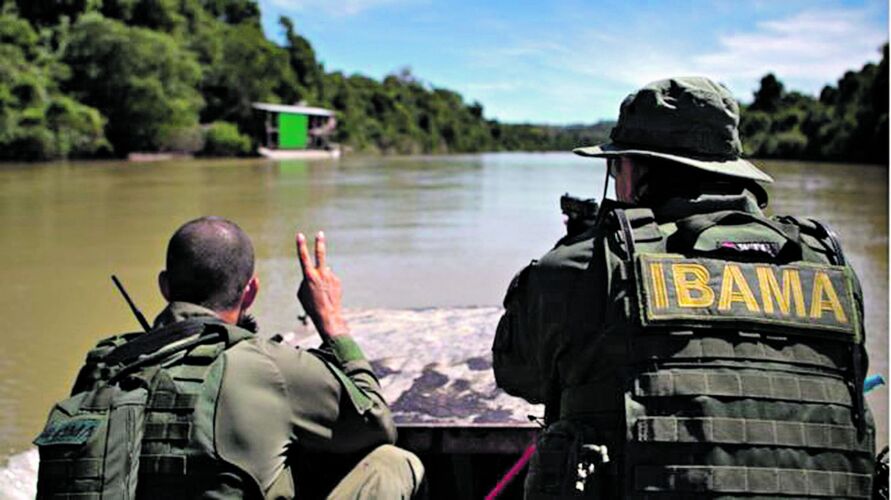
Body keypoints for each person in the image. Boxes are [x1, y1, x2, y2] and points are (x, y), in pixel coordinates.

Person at [492, 77, 876, 498]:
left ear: (632, 169)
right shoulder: (828, 263)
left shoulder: (581, 266)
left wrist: (580, 253)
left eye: (615, 165)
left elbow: (519, 375)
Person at [35, 217, 424, 499]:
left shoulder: (103, 363)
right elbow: (376, 424)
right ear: (251, 292)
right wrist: (332, 323)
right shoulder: (268, 366)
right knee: (393, 464)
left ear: (165, 287)